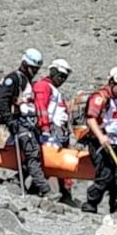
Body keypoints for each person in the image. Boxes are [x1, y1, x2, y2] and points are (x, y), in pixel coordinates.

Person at [0, 49, 50, 196]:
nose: (35, 72)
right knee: (32, 153)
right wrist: (10, 119)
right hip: (18, 122)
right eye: (33, 68)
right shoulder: (14, 79)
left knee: (34, 153)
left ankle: (18, 180)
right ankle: (45, 190)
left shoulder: (26, 80)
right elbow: (2, 100)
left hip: (28, 122)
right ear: (25, 64)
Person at [79, 67, 117, 217]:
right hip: (100, 142)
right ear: (112, 82)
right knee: (105, 175)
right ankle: (91, 204)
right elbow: (91, 118)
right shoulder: (100, 97)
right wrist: (101, 137)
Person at [33, 58, 77, 205]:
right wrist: (44, 128)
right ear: (53, 71)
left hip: (57, 135)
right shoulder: (43, 87)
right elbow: (41, 108)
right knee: (49, 164)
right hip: (48, 134)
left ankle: (62, 193)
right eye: (60, 75)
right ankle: (49, 192)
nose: (62, 79)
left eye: (65, 77)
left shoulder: (54, 90)